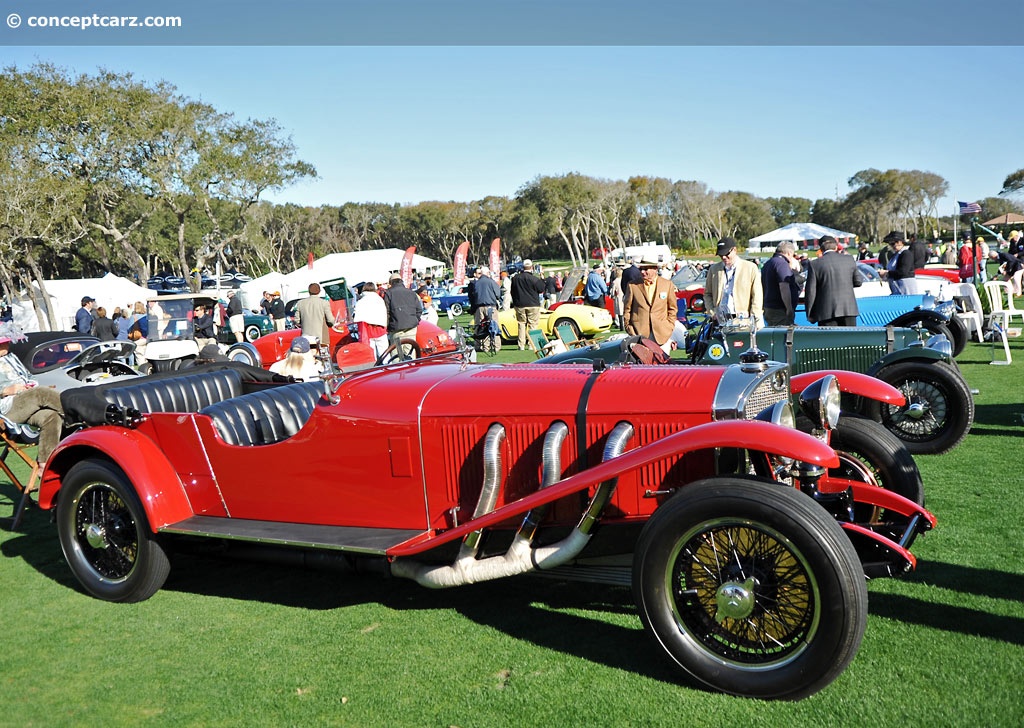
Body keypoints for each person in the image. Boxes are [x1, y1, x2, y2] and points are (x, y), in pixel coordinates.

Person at [0, 335, 65, 489]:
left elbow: (28, 376)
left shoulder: (11, 357)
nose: (7, 344)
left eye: (7, 341)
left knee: (51, 416)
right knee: (41, 393)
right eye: (4, 343)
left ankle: (45, 464)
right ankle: (77, 414)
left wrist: (29, 384)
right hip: (7, 407)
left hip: (24, 400)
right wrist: (5, 390)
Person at [623, 256, 678, 354]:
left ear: (655, 269)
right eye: (641, 269)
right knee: (642, 368)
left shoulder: (667, 285)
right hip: (639, 334)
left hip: (662, 334)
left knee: (662, 367)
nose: (642, 272)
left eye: (645, 269)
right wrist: (629, 328)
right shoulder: (632, 285)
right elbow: (627, 309)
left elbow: (672, 309)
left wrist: (669, 326)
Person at [803, 236, 863, 326]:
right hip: (848, 310)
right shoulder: (849, 259)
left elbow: (811, 292)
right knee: (849, 339)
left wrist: (810, 314)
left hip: (825, 311)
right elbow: (858, 281)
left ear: (821, 249)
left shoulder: (815, 264)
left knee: (829, 340)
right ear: (836, 247)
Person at [705, 237, 763, 324]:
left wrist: (754, 316)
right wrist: (712, 312)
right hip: (720, 319)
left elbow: (757, 295)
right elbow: (707, 294)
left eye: (726, 254)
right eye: (721, 255)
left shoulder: (750, 268)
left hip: (744, 320)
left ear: (734, 250)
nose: (724, 257)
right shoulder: (713, 270)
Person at [761, 241, 801, 326]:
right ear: (789, 253)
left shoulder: (768, 263)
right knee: (782, 336)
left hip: (769, 307)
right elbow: (784, 287)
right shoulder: (782, 264)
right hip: (780, 309)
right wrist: (789, 308)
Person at [510, 259, 546, 351]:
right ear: (532, 267)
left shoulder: (515, 278)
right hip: (533, 304)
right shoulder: (534, 279)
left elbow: (512, 292)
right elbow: (541, 289)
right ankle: (531, 344)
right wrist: (542, 276)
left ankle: (521, 345)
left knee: (521, 324)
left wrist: (515, 303)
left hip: (520, 305)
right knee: (533, 325)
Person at [383, 273, 422, 348]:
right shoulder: (411, 292)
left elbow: (386, 312)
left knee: (397, 353)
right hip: (411, 326)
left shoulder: (389, 293)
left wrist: (388, 326)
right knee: (410, 351)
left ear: (391, 282)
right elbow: (419, 309)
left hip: (396, 328)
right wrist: (415, 320)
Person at [354, 282, 388, 358]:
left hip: (367, 330)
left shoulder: (361, 301)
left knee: (372, 356)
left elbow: (357, 317)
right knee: (385, 354)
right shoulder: (379, 299)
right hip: (380, 329)